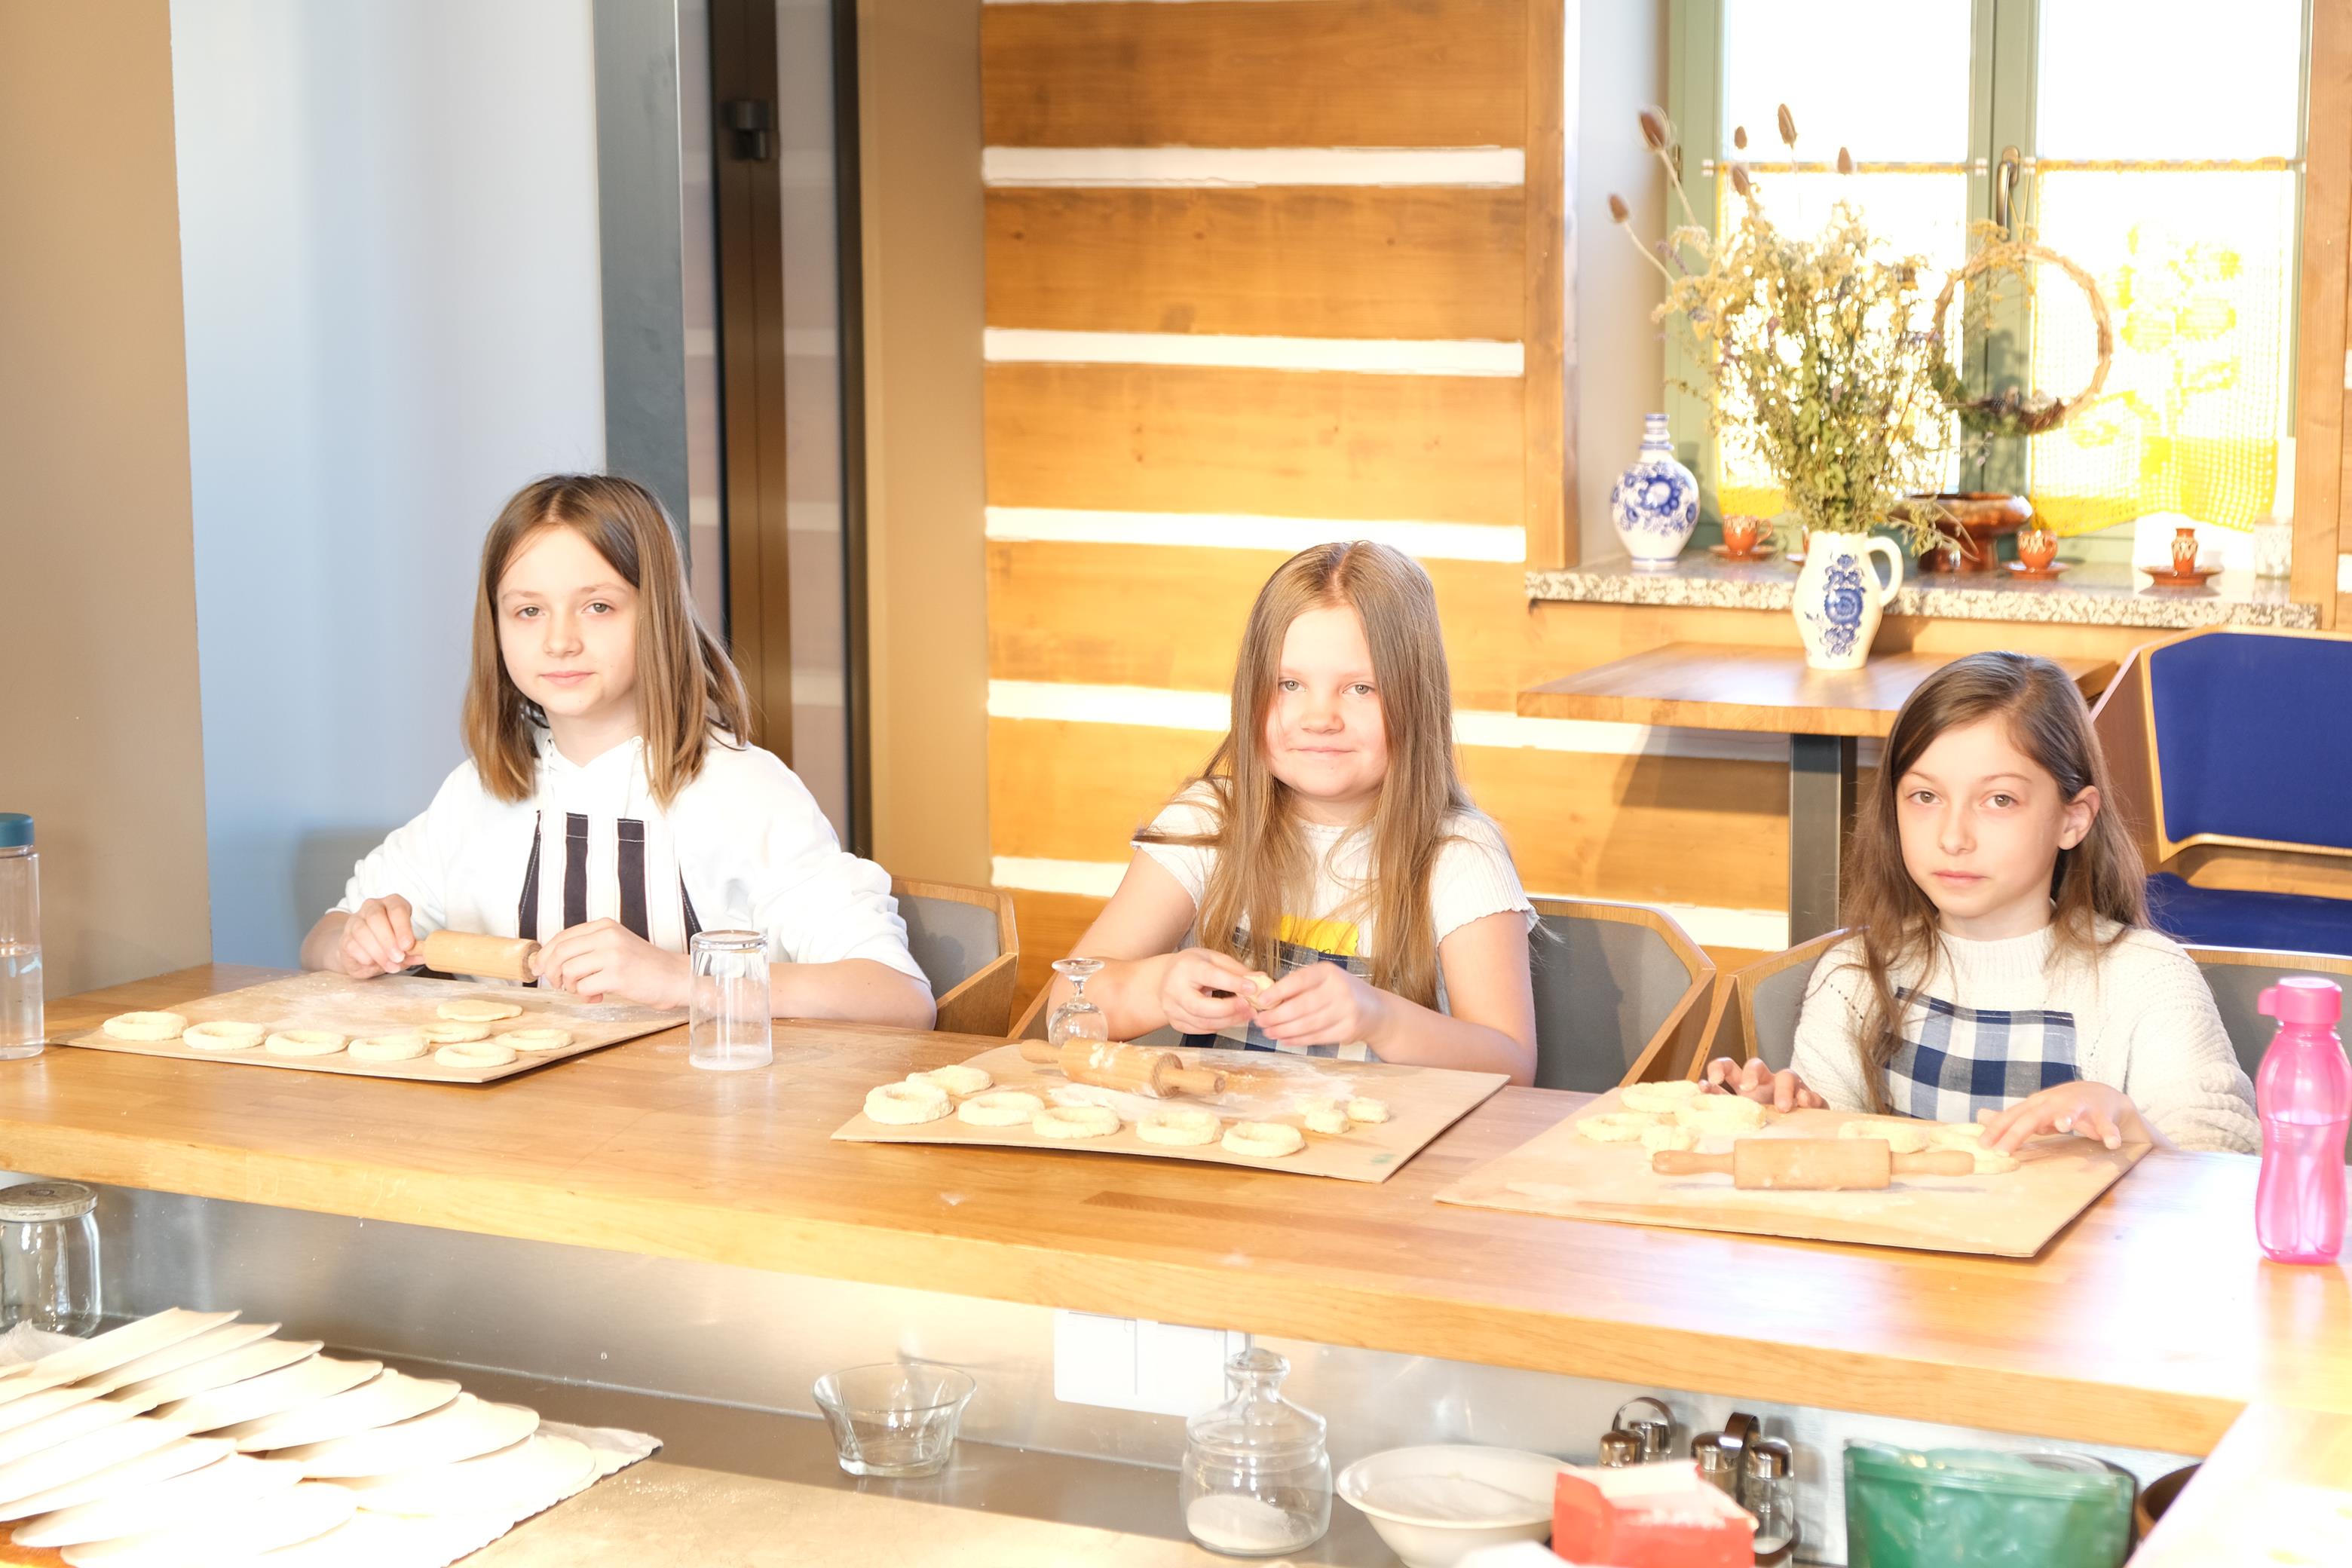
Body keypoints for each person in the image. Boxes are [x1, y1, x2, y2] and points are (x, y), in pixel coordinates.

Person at [299, 474, 933, 1027]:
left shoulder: (744, 792)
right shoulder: (477, 794)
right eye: (528, 611)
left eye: (598, 606)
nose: (560, 641)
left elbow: (898, 997)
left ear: (656, 615)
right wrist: (356, 943)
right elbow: (322, 940)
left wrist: (678, 978)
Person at [1705, 651, 2255, 1153]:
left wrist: (2130, 1124)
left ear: (2073, 818)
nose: (1953, 837)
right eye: (1925, 796)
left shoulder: (2148, 982)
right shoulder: (1852, 976)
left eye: (1999, 800)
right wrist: (1795, 1120)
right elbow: (1832, 1169)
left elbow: (2222, 1168)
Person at [1050, 542, 1537, 1084]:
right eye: (1290, 685)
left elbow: (1512, 1066)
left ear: (1416, 700)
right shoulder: (1207, 825)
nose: (1320, 717)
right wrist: (1158, 988)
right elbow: (1067, 1004)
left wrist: (1380, 1017)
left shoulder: (1459, 854)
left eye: (1361, 688)